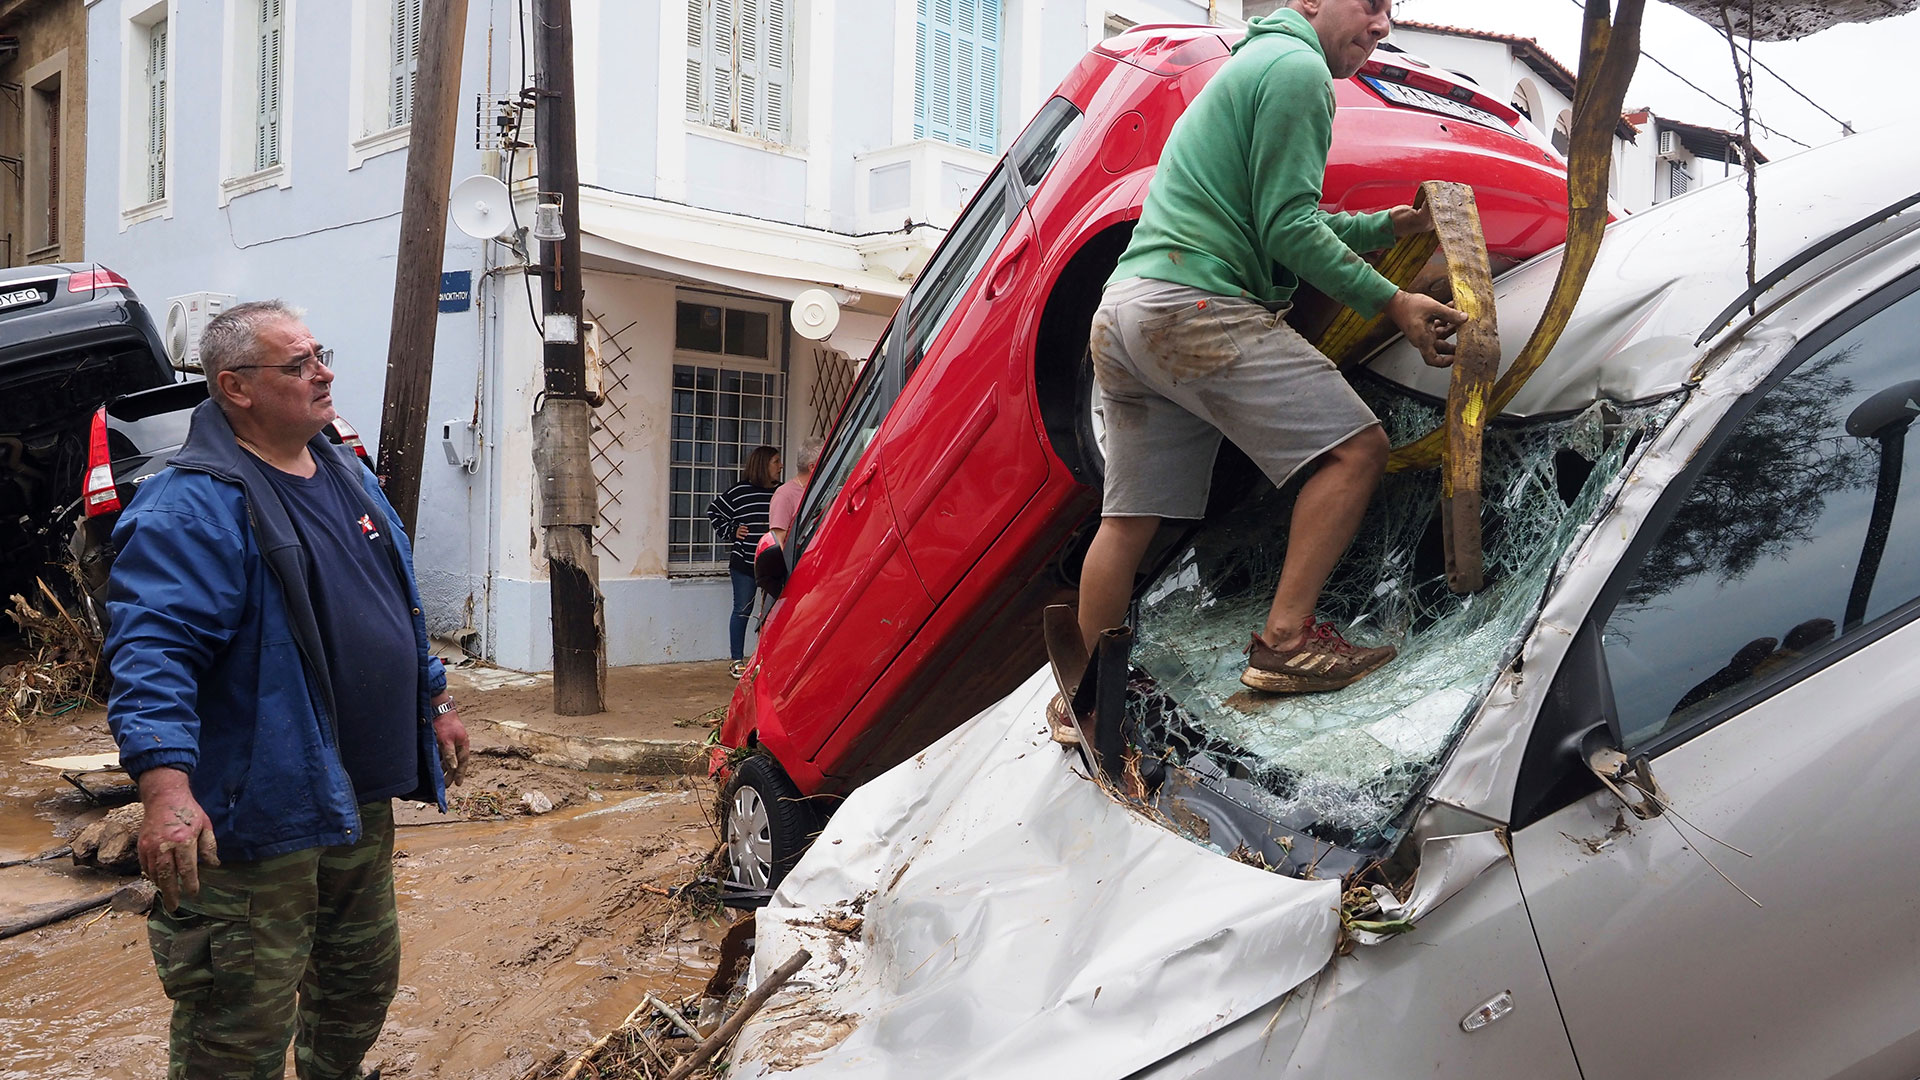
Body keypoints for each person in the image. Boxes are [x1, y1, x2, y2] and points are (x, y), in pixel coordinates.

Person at [104, 300, 468, 1080]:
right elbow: (152, 652)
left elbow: (392, 598)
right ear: (235, 387)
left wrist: (433, 702)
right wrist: (165, 790)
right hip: (255, 817)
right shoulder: (191, 505)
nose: (323, 372)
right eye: (298, 364)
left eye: (319, 354)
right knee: (239, 1023)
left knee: (359, 986)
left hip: (355, 800)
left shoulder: (344, 468)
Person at [1076, 0, 1467, 696]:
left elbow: (1273, 219)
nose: (1382, 24)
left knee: (1127, 520)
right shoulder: (1298, 71)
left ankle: (1089, 691)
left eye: (1391, 12)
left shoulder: (1255, 61)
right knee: (1359, 450)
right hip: (1195, 308)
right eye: (1370, 3)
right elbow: (1288, 231)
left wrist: (1385, 226)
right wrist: (1395, 302)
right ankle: (1287, 641)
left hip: (1128, 311)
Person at [708, 445, 781, 678]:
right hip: (744, 563)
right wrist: (732, 531)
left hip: (774, 563)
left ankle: (767, 658)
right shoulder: (740, 492)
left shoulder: (781, 492)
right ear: (763, 465)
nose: (780, 466)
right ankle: (737, 660)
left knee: (772, 612)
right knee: (742, 609)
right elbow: (714, 512)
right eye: (775, 462)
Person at [767, 437, 823, 545]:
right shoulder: (784, 495)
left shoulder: (822, 490)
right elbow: (777, 541)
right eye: (826, 462)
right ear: (812, 467)